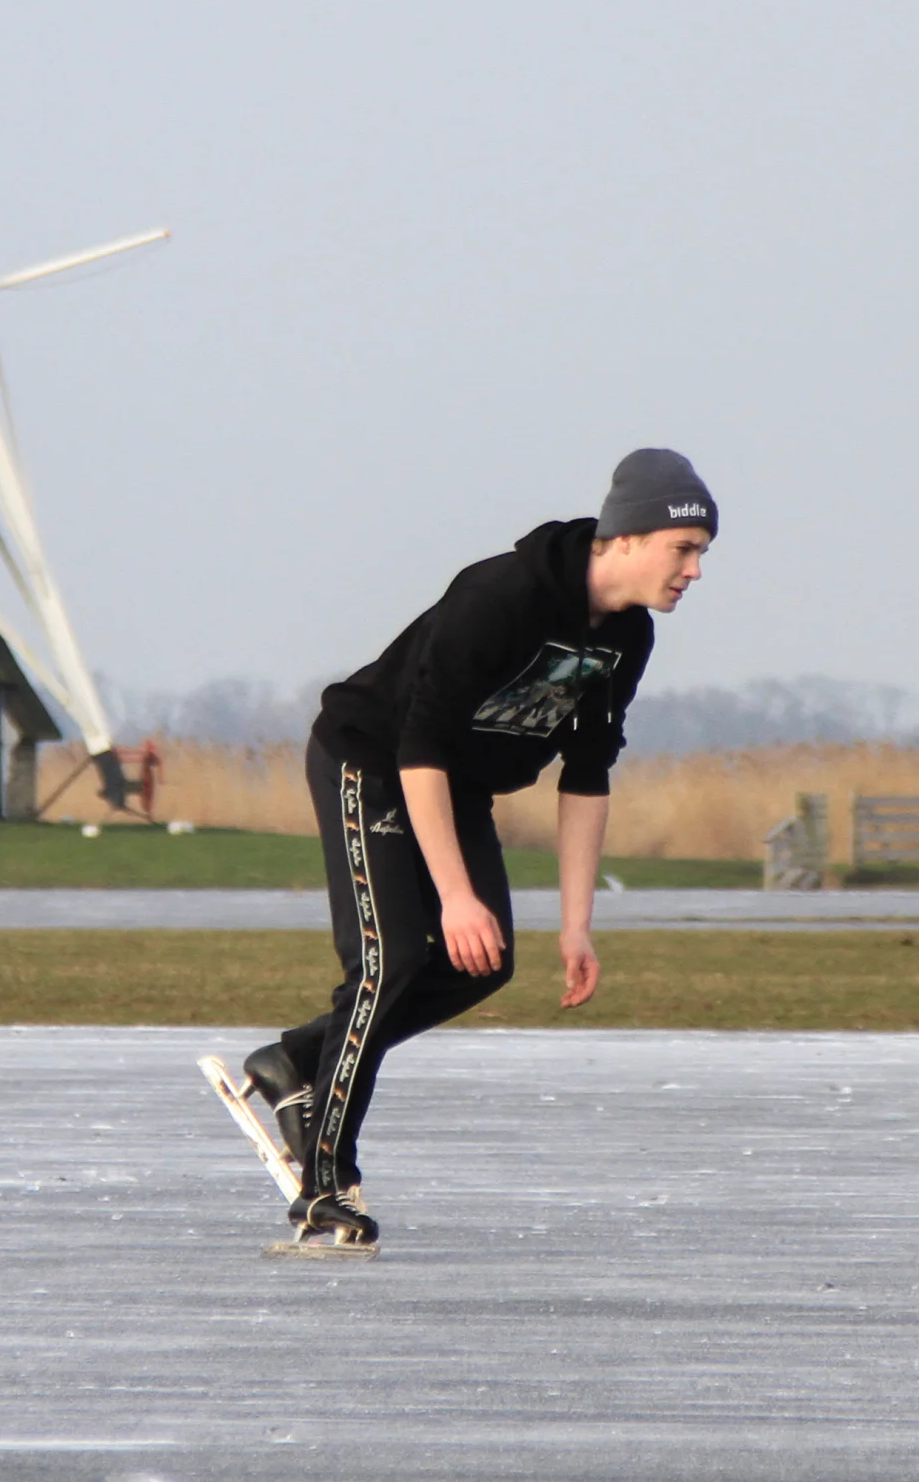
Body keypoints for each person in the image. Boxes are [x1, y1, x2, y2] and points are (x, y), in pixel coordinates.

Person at [219, 449, 716, 1254]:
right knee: (388, 970)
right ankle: (323, 1189)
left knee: (482, 963)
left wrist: (577, 926)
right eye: (683, 550)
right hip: (376, 764)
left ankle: (293, 1060)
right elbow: (420, 745)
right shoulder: (502, 594)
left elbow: (588, 778)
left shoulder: (628, 639)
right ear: (626, 538)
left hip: (460, 789)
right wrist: (454, 895)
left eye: (701, 555)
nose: (694, 571)